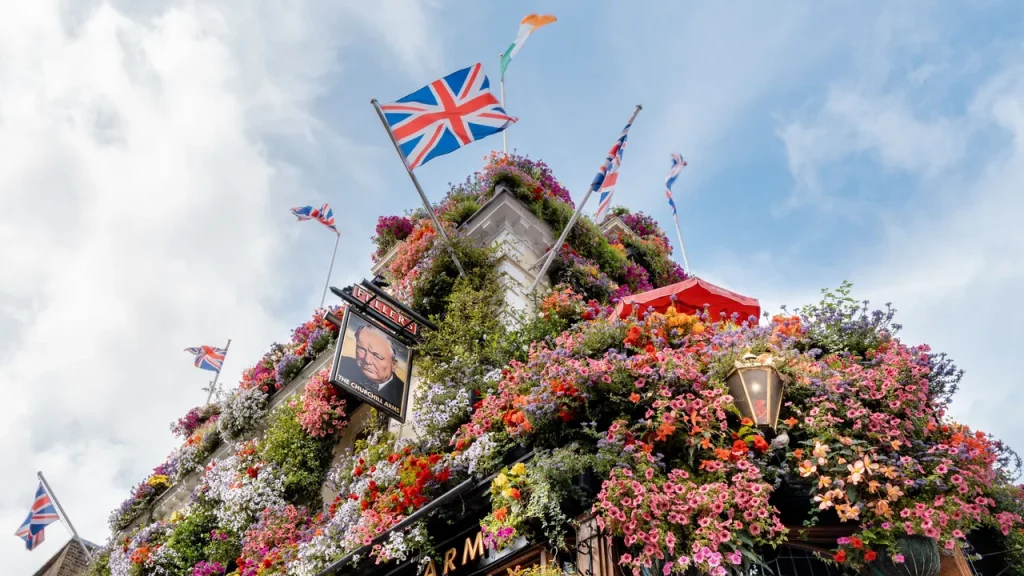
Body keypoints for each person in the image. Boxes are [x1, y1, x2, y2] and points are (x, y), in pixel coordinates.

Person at [336, 322, 405, 409]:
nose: (367, 360)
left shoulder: (402, 393)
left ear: (394, 364)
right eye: (361, 349)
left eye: (377, 356)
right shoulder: (342, 365)